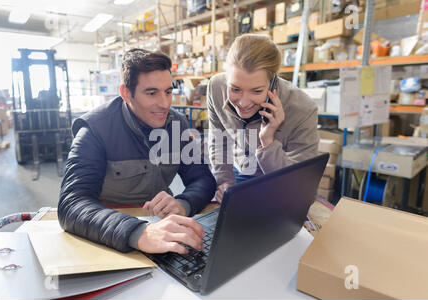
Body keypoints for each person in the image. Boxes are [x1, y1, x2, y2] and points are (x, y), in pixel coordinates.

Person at [58, 48, 217, 254]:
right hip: (109, 236)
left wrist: (182, 203)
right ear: (126, 93)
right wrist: (139, 232)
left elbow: (203, 179)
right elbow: (72, 204)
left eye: (168, 92)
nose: (164, 103)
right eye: (151, 93)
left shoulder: (176, 124)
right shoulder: (95, 129)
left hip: (163, 230)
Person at [207, 34, 319, 203]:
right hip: (240, 173)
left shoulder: (302, 109)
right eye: (235, 89)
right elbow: (219, 140)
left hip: (283, 183)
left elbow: (299, 184)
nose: (243, 103)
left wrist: (268, 142)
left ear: (272, 82)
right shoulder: (216, 88)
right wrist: (224, 181)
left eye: (257, 91)